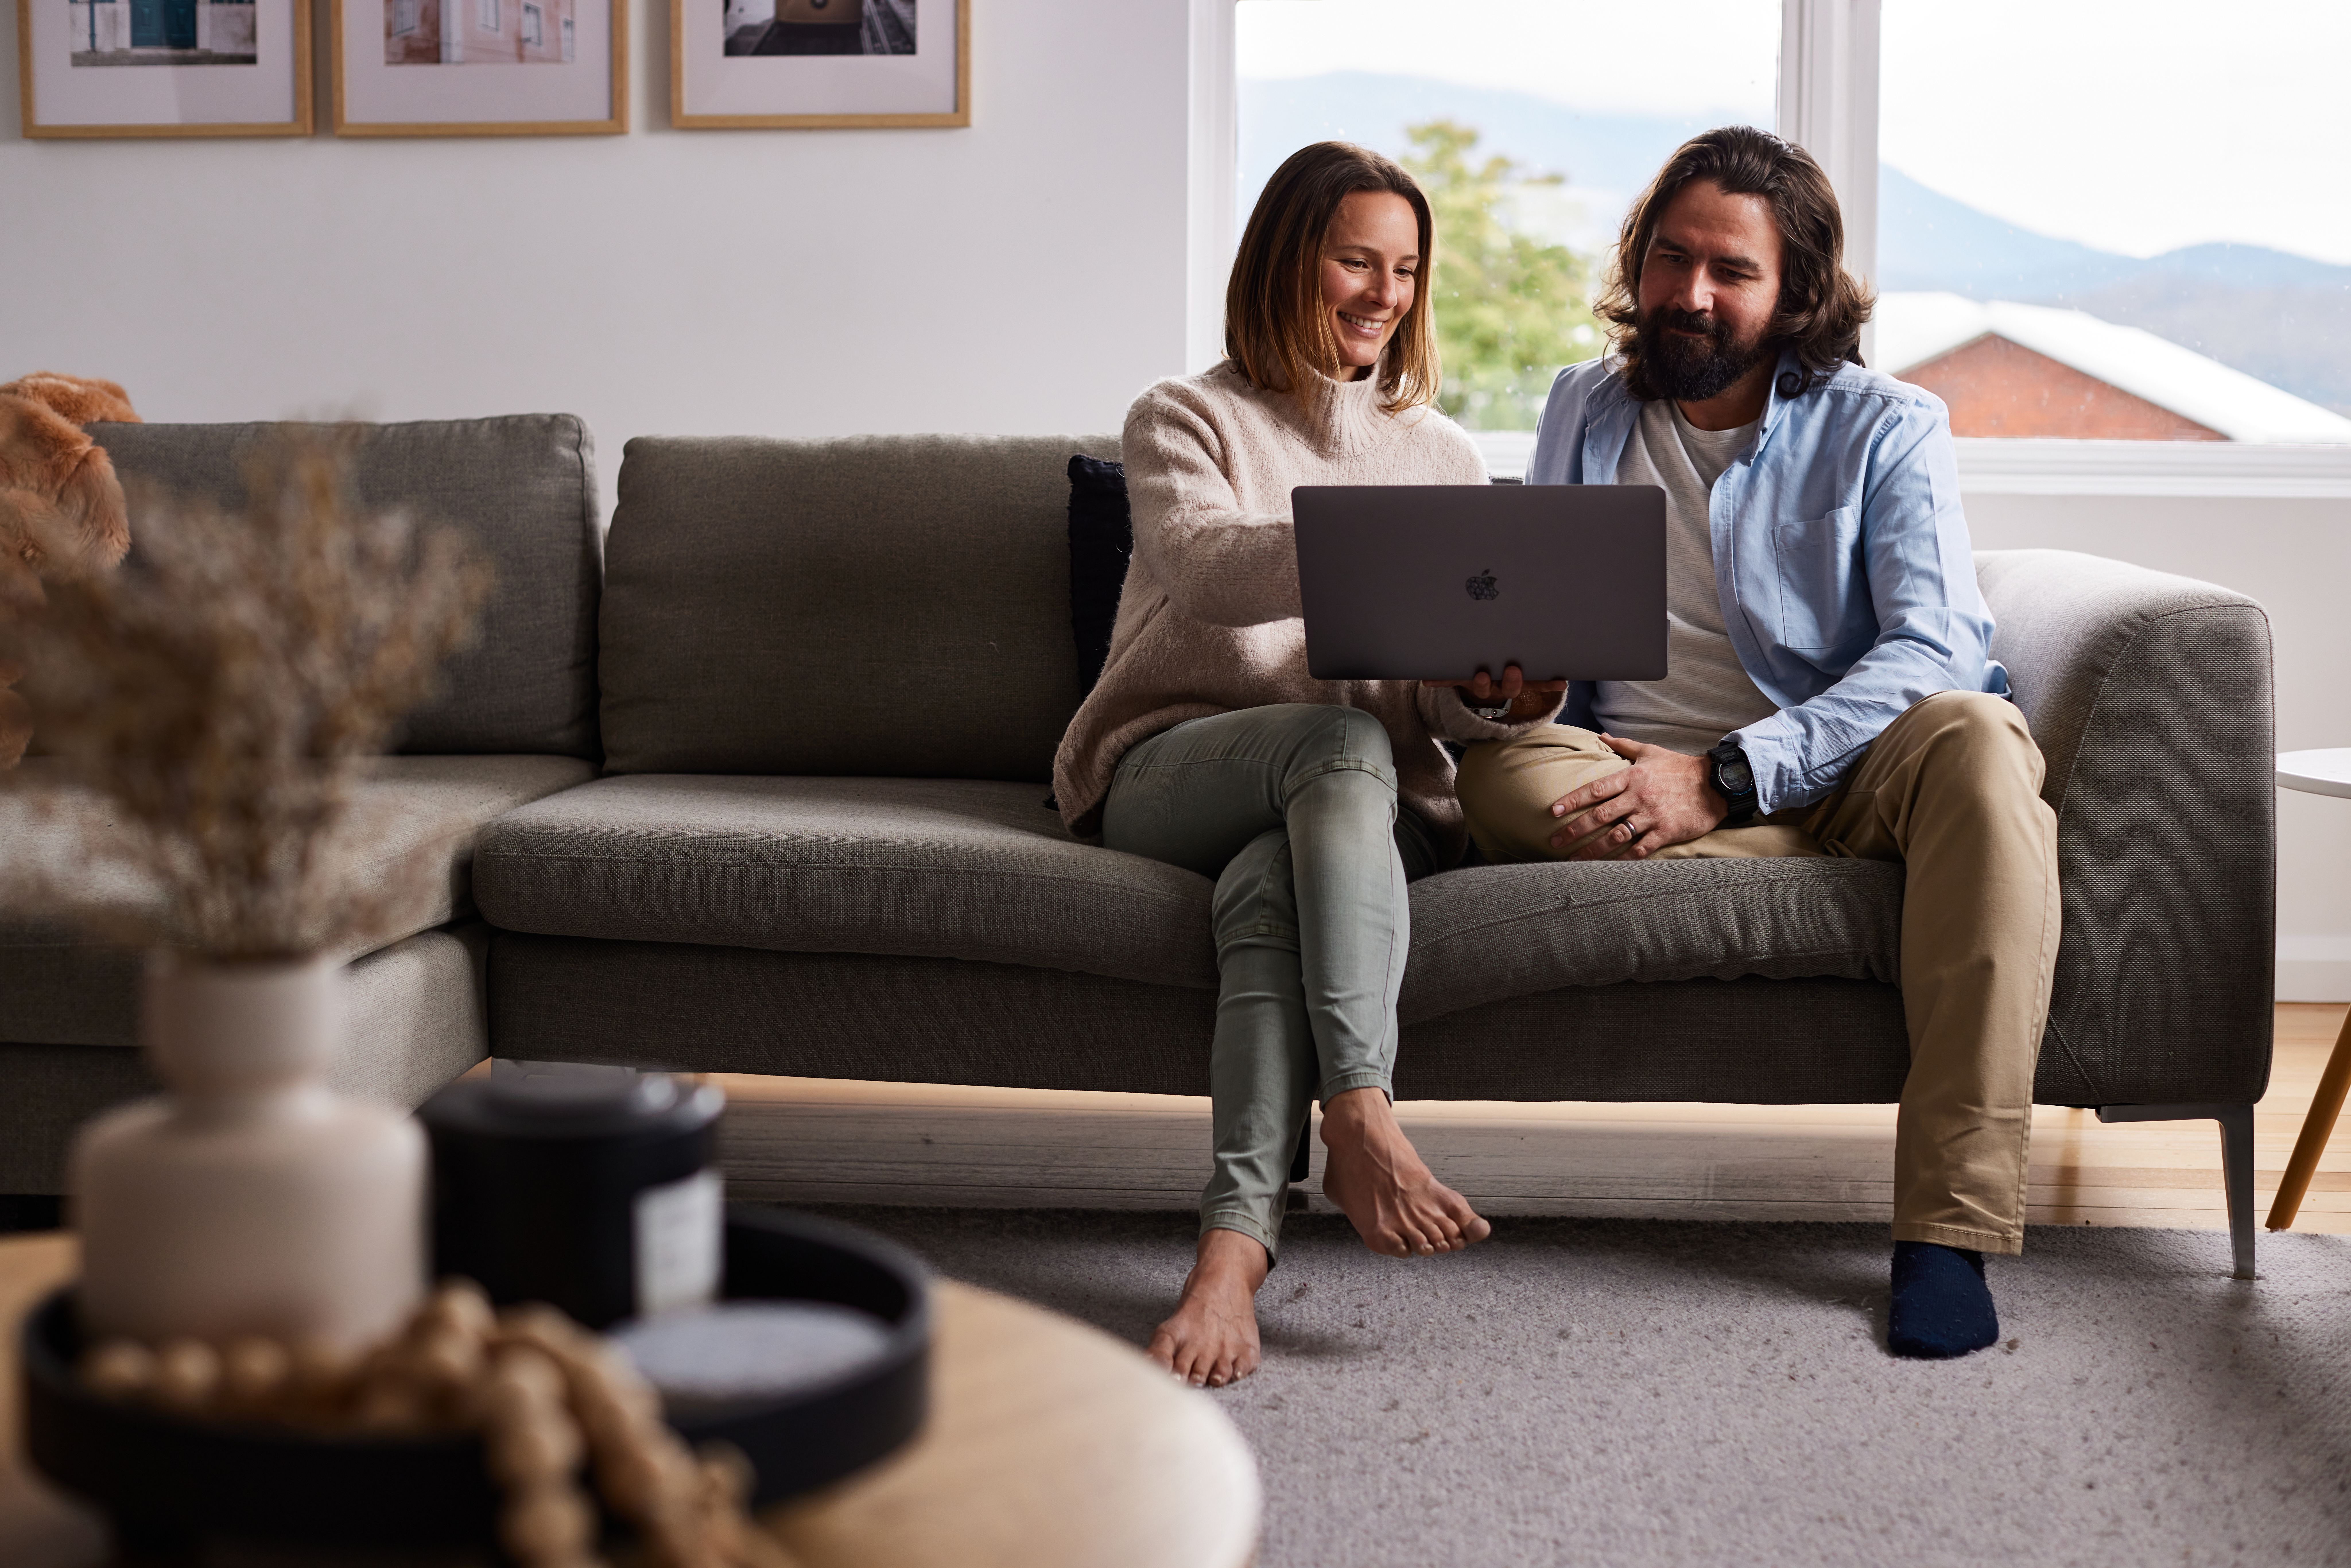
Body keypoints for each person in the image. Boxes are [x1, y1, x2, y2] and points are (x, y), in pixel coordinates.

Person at [1454, 126, 2058, 1360]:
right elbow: (1546, 653)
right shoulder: (1581, 404)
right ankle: (1923, 897)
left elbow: (1934, 648)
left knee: (1984, 743)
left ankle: (1942, 1228)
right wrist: (1519, 687)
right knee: (1493, 775)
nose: (1688, 293)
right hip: (1617, 765)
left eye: (1728, 270)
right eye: (1670, 259)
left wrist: (1728, 777)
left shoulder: (1885, 425)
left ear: (1795, 291)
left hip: (1833, 768)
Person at [1053, 141, 1565, 1388]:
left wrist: (1504, 688)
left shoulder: (1441, 455)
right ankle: (1361, 1111)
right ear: (1290, 261)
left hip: (1354, 803)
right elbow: (1216, 572)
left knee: (1270, 893)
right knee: (1331, 744)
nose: (1381, 293)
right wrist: (1404, 555)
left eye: (1402, 270)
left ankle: (1231, 1252)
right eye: (1353, 260)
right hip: (1175, 765)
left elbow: (1425, 703)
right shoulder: (1186, 416)